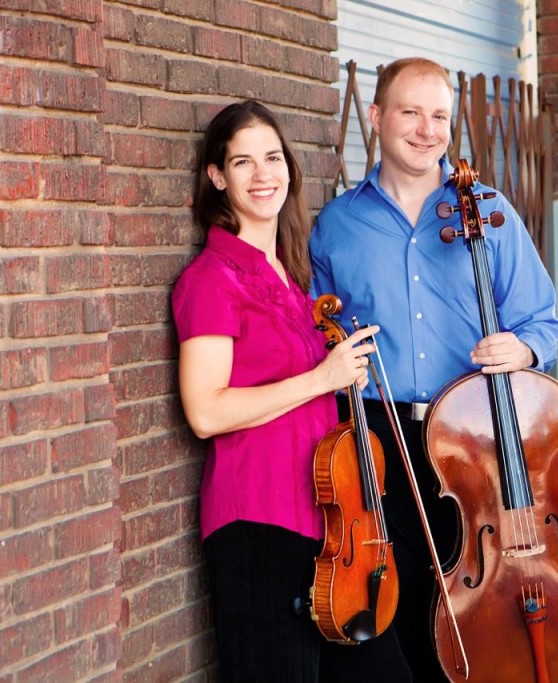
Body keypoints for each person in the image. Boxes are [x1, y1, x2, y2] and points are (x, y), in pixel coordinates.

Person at [309, 57, 558, 680]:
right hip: (379, 432)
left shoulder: (489, 210)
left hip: (471, 435)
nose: (427, 130)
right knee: (393, 598)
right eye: (411, 112)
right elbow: (317, 332)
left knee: (475, 601)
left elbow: (543, 323)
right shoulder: (337, 224)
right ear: (376, 117)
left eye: (440, 116)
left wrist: (521, 350)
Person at [172, 100, 395, 681]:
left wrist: (343, 375)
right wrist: (321, 378)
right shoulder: (210, 281)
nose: (262, 174)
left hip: (329, 525)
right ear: (218, 177)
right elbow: (204, 411)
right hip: (259, 524)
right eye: (242, 162)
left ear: (290, 170)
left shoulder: (294, 282)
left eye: (272, 158)